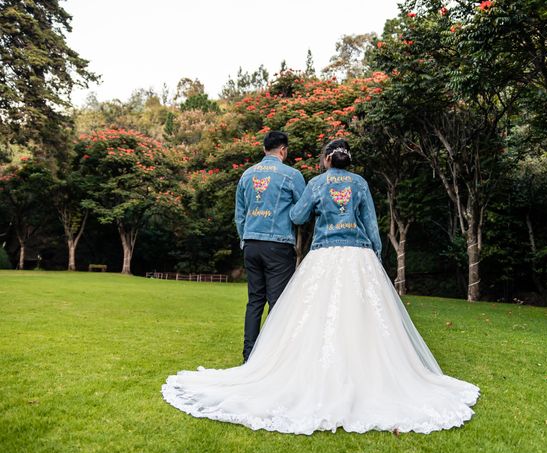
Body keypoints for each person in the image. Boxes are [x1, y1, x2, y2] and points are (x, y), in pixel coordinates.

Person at [162, 139, 480, 434]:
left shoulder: (315, 183)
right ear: (347, 159)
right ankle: (363, 372)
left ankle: (291, 365)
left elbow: (299, 216)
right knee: (362, 314)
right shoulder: (360, 183)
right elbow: (371, 222)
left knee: (313, 312)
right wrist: (377, 252)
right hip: (358, 255)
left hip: (325, 253)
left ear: (327, 159)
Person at [234, 130, 305, 362]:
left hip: (252, 244)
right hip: (278, 244)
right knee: (278, 303)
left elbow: (240, 215)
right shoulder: (291, 175)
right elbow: (301, 213)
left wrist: (245, 240)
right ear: (283, 150)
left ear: (265, 149)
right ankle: (273, 358)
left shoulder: (247, 175)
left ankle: (249, 355)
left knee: (255, 301)